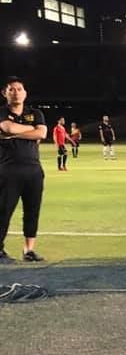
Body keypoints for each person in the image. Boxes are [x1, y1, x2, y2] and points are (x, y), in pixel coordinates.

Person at [0, 76, 47, 263]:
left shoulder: (35, 113)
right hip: (8, 170)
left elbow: (42, 132)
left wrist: (14, 134)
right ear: (5, 93)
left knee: (32, 211)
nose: (16, 93)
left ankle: (29, 250)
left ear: (25, 93)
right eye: (11, 89)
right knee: (3, 211)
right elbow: (7, 126)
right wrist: (30, 130)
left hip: (34, 170)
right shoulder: (1, 112)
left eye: (19, 89)